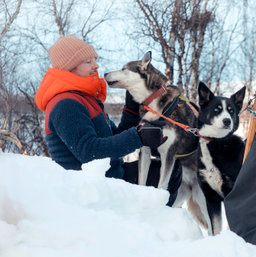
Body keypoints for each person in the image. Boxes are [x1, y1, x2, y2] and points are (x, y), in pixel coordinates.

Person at [35, 35, 181, 205]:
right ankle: (149, 225)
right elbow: (89, 152)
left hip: (110, 176)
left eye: (94, 60)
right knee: (166, 175)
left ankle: (158, 222)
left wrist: (131, 110)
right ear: (70, 67)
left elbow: (112, 139)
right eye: (88, 62)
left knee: (173, 169)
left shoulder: (84, 98)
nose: (95, 65)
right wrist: (138, 137)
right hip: (89, 192)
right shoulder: (65, 105)